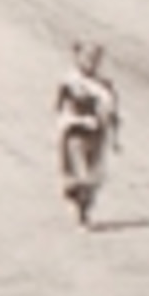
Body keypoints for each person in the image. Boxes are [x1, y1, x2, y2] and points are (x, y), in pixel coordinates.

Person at [54, 41, 121, 227]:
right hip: (75, 133)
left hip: (97, 135)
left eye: (95, 59)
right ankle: (79, 206)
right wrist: (73, 121)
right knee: (80, 175)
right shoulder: (69, 82)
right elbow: (60, 108)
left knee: (94, 177)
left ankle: (84, 205)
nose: (91, 63)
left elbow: (113, 112)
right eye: (87, 58)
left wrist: (114, 137)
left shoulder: (104, 85)